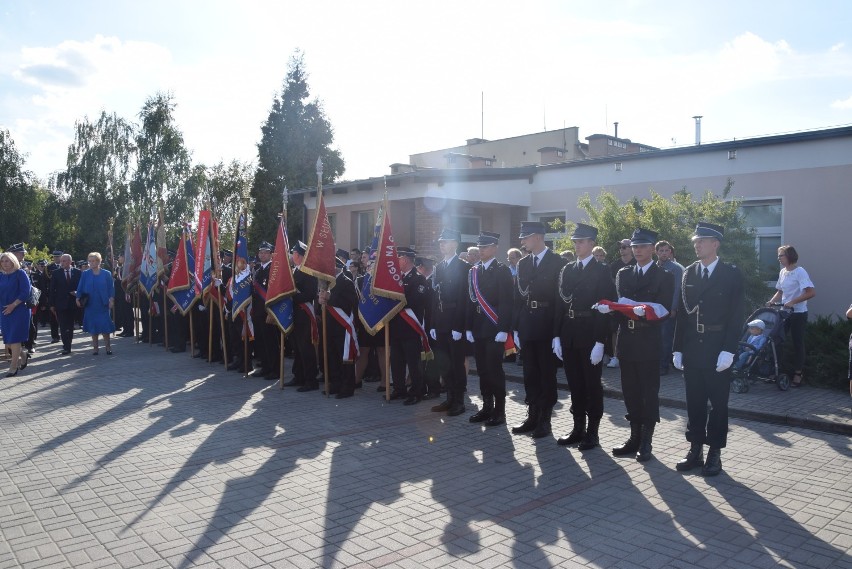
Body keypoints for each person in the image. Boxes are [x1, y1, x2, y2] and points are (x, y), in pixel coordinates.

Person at [673, 222, 744, 477]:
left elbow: (737, 315)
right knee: (694, 403)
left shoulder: (731, 273)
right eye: (695, 241)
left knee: (718, 405)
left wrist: (729, 349)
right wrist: (677, 348)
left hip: (717, 348)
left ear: (715, 244)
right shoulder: (689, 273)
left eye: (701, 241)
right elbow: (682, 314)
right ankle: (695, 450)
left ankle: (714, 452)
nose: (696, 244)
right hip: (693, 347)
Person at [603, 228, 674, 461]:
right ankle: (633, 437)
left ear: (653, 249)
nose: (637, 250)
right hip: (627, 340)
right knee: (630, 391)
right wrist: (610, 310)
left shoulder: (664, 276)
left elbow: (663, 310)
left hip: (649, 340)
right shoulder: (623, 274)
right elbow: (620, 306)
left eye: (642, 246)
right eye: (634, 246)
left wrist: (642, 312)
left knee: (648, 392)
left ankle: (646, 440)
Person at [552, 223, 616, 448]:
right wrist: (556, 335)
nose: (577, 245)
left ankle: (593, 432)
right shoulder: (568, 269)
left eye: (581, 241)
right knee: (575, 384)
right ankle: (577, 427)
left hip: (589, 333)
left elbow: (606, 308)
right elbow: (560, 303)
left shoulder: (601, 270)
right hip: (569, 332)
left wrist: (600, 341)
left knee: (591, 385)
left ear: (591, 243)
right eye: (575, 242)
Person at [511, 221, 568, 438]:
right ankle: (532, 414)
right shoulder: (523, 263)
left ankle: (545, 419)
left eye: (525, 237)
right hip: (527, 323)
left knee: (547, 374)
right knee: (530, 373)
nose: (523, 241)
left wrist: (556, 333)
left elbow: (559, 301)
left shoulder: (558, 262)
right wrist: (515, 327)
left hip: (546, 323)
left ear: (537, 237)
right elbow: (518, 297)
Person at [465, 232, 514, 426]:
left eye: (485, 247)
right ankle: (486, 407)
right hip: (478, 327)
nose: (481, 250)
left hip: (494, 328)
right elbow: (470, 301)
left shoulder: (501, 270)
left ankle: (499, 411)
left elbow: (506, 302)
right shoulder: (474, 271)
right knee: (483, 370)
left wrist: (503, 328)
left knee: (495, 370)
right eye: (480, 247)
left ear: (494, 248)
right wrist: (468, 327)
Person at [429, 228, 471, 417]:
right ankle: (449, 398)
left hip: (455, 320)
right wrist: (432, 323)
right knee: (444, 363)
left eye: (445, 241)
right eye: (440, 242)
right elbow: (434, 298)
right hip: (441, 320)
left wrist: (459, 326)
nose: (441, 245)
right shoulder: (439, 267)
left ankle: (459, 401)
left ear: (454, 244)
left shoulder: (464, 267)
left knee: (456, 363)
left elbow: (464, 298)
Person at [767, 245, 815, 388]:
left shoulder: (800, 272)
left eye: (781, 255)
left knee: (797, 343)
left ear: (789, 256)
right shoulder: (782, 272)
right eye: (778, 256)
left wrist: (793, 302)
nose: (778, 258)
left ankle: (798, 374)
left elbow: (811, 292)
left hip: (798, 314)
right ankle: (777, 372)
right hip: (784, 313)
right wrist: (772, 301)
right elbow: (780, 292)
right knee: (777, 341)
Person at [389, 246, 430, 405]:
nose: (396, 261)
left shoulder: (418, 279)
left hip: (411, 328)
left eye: (397, 258)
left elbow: (413, 301)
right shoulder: (395, 278)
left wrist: (393, 299)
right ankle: (399, 389)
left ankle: (417, 392)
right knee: (396, 361)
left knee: (414, 363)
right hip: (396, 327)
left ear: (405, 259)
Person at [317, 256, 359, 398]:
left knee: (345, 358)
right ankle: (335, 384)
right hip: (330, 325)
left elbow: (351, 303)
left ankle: (347, 387)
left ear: (336, 267)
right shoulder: (327, 283)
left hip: (342, 325)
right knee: (332, 356)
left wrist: (330, 298)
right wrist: (321, 299)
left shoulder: (346, 282)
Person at [283, 241, 319, 392]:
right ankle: (298, 376)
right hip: (295, 314)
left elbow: (310, 294)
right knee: (296, 348)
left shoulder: (308, 271)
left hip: (304, 313)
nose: (291, 255)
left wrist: (293, 297)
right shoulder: (295, 270)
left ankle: (311, 380)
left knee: (306, 348)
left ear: (298, 255)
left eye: (293, 253)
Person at [76, 252, 115, 355]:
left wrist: (111, 300)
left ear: (99, 261)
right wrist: (77, 298)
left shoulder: (107, 273)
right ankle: (95, 348)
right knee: (93, 327)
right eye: (90, 261)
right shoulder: (85, 274)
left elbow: (111, 288)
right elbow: (80, 287)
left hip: (103, 303)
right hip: (90, 304)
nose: (91, 263)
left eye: (94, 261)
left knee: (105, 326)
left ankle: (108, 347)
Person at [0, 251, 32, 376]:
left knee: (15, 338)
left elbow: (25, 292)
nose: (4, 263)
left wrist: (13, 305)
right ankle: (23, 354)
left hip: (19, 310)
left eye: (7, 260)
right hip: (4, 311)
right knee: (8, 341)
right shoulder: (1, 276)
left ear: (13, 261)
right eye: (2, 261)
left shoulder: (20, 273)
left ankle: (13, 367)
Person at [655, 240, 684, 376]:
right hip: (654, 308)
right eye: (661, 251)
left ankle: (663, 365)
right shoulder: (653, 267)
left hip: (667, 309)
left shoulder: (676, 268)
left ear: (670, 252)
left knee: (665, 337)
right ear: (656, 252)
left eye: (667, 250)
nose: (664, 253)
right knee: (654, 337)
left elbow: (677, 289)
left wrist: (673, 308)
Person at [607, 238, 636, 368]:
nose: (622, 250)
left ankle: (630, 355)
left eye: (625, 247)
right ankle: (615, 356)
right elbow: (609, 285)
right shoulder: (614, 265)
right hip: (616, 302)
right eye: (621, 247)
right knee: (614, 330)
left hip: (632, 303)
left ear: (631, 248)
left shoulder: (637, 263)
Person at [49, 254, 81, 355]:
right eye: (61, 261)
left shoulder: (78, 272)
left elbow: (81, 286)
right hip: (60, 304)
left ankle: (69, 343)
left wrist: (77, 293)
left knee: (70, 326)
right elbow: (51, 290)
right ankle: (66, 346)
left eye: (64, 261)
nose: (62, 263)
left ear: (70, 262)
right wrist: (52, 305)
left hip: (73, 303)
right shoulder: (56, 273)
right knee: (63, 326)